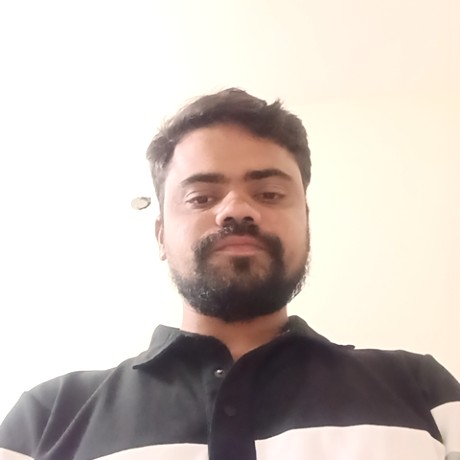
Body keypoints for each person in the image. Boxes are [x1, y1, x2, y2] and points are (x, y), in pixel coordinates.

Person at [0, 89, 459, 460]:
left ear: (306, 222)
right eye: (201, 198)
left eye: (270, 193)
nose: (237, 210)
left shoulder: (424, 391)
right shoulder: (44, 419)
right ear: (160, 235)